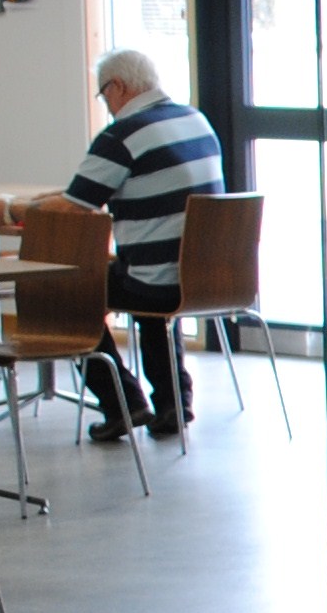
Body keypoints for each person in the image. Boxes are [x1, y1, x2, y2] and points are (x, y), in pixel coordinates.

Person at [68, 49, 224, 441]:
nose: (106, 106)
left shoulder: (123, 135)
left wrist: (6, 211)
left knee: (67, 295)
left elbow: (75, 206)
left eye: (104, 95)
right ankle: (173, 403)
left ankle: (121, 402)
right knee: (141, 278)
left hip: (157, 280)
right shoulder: (193, 118)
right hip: (207, 275)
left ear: (118, 86)